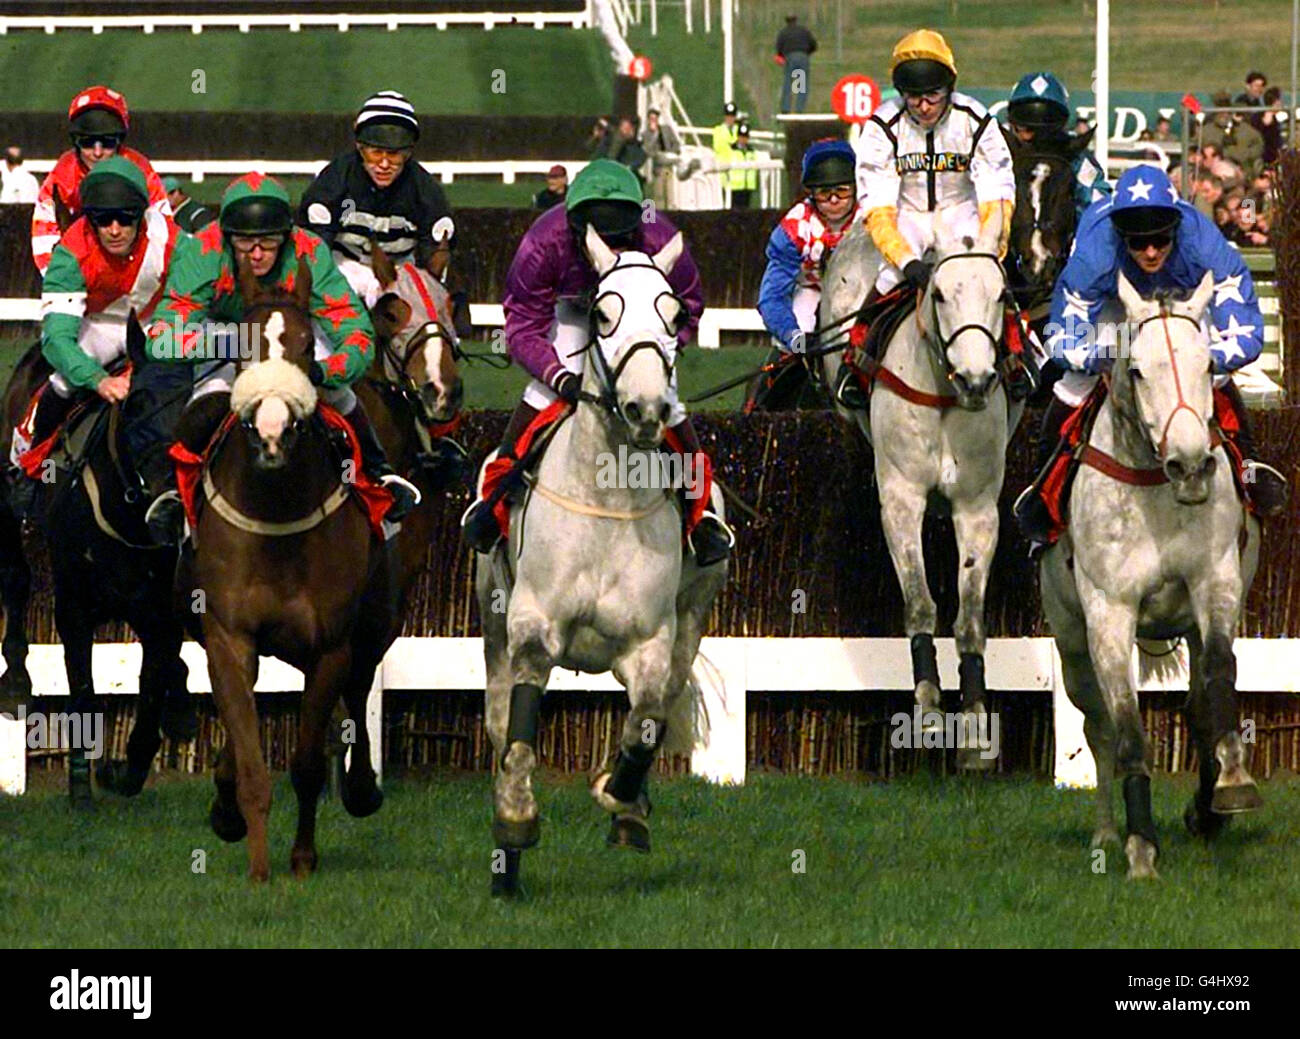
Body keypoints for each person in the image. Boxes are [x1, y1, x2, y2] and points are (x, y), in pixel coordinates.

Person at [458, 159, 733, 565]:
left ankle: (701, 513)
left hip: (636, 320)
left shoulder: (660, 236)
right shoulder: (544, 241)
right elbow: (522, 327)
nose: (613, 251)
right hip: (571, 316)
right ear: (574, 226)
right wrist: (560, 377)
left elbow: (688, 305)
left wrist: (658, 354)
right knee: (539, 392)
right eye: (603, 239)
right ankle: (494, 504)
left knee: (667, 401)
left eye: (622, 238)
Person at [129, 172, 420, 545]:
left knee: (340, 393)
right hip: (230, 338)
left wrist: (322, 371)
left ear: (286, 237)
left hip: (294, 336)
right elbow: (162, 339)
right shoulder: (201, 251)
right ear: (226, 237)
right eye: (244, 243)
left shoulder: (309, 252)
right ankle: (173, 493)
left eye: (268, 242)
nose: (256, 254)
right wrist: (243, 344)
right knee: (208, 397)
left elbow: (357, 336)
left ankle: (379, 475)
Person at [1014, 164, 1288, 547]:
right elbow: (1063, 336)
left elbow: (1246, 333)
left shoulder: (1203, 243)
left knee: (1216, 377)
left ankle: (1250, 470)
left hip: (1182, 305)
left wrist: (1202, 359)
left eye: (1160, 240)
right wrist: (1101, 359)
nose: (1150, 251)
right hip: (1114, 305)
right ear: (1119, 234)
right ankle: (1044, 490)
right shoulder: (1096, 251)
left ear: (1176, 229)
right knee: (1075, 384)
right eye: (1138, 242)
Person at [841, 28, 1017, 406]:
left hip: (962, 211)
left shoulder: (976, 119)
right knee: (888, 279)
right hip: (908, 212)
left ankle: (1020, 355)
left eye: (933, 95)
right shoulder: (881, 128)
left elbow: (997, 192)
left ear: (949, 87)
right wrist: (908, 263)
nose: (923, 106)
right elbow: (879, 207)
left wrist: (991, 250)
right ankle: (855, 362)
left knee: (992, 277)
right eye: (913, 97)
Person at [9, 158, 181, 515]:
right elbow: (57, 340)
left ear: (141, 216)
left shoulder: (170, 238)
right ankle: (33, 469)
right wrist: (99, 380)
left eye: (125, 219)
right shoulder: (70, 253)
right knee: (63, 382)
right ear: (90, 220)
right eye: (103, 220)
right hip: (99, 324)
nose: (115, 229)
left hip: (152, 323)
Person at [299, 91, 455, 310]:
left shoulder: (426, 191)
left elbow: (435, 261)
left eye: (393, 155)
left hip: (399, 274)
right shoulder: (335, 180)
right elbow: (316, 248)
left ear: (408, 153)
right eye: (375, 153)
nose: (383, 164)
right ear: (360, 149)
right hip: (343, 268)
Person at [751, 138, 858, 410]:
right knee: (790, 352)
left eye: (842, 191)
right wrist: (792, 336)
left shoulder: (874, 216)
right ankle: (763, 411)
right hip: (813, 291)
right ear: (811, 193)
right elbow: (772, 297)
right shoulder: (794, 228)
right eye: (824, 193)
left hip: (862, 291)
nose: (834, 200)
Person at [31, 86, 171, 276]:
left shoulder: (140, 170)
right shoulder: (62, 176)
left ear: (119, 140)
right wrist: (59, 280)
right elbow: (44, 236)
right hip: (79, 273)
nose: (97, 153)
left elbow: (163, 229)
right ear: (75, 141)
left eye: (107, 142)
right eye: (88, 143)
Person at [1005, 71, 1112, 218]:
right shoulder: (997, 155)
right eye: (1026, 128)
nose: (1036, 139)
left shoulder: (1078, 160)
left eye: (1043, 130)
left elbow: (1099, 208)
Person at [774, 14, 817, 115]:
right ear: (796, 21)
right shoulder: (804, 31)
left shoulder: (783, 33)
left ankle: (786, 108)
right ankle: (799, 109)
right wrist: (806, 53)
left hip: (790, 58)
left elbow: (778, 49)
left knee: (788, 83)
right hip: (803, 57)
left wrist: (782, 56)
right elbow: (814, 45)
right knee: (800, 84)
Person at [728, 123, 759, 209]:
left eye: (745, 137)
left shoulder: (751, 151)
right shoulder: (731, 150)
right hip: (735, 188)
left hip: (747, 187)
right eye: (741, 136)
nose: (743, 139)